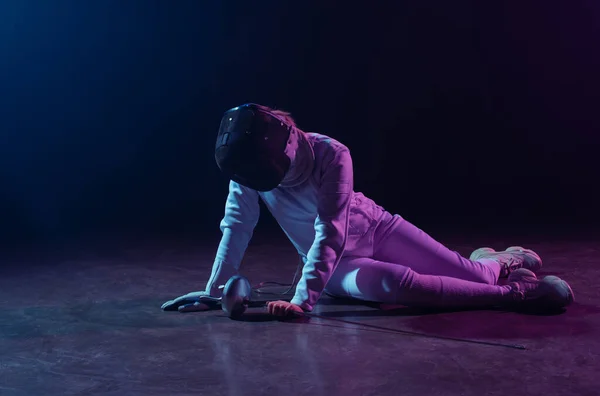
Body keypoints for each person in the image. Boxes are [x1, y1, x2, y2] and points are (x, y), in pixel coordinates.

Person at [162, 103, 574, 317]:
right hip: (339, 267)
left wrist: (303, 300)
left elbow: (330, 229)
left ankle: (495, 261)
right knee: (397, 287)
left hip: (377, 228)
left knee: (472, 273)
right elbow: (236, 225)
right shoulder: (250, 167)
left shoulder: (331, 153)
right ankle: (515, 293)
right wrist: (213, 292)